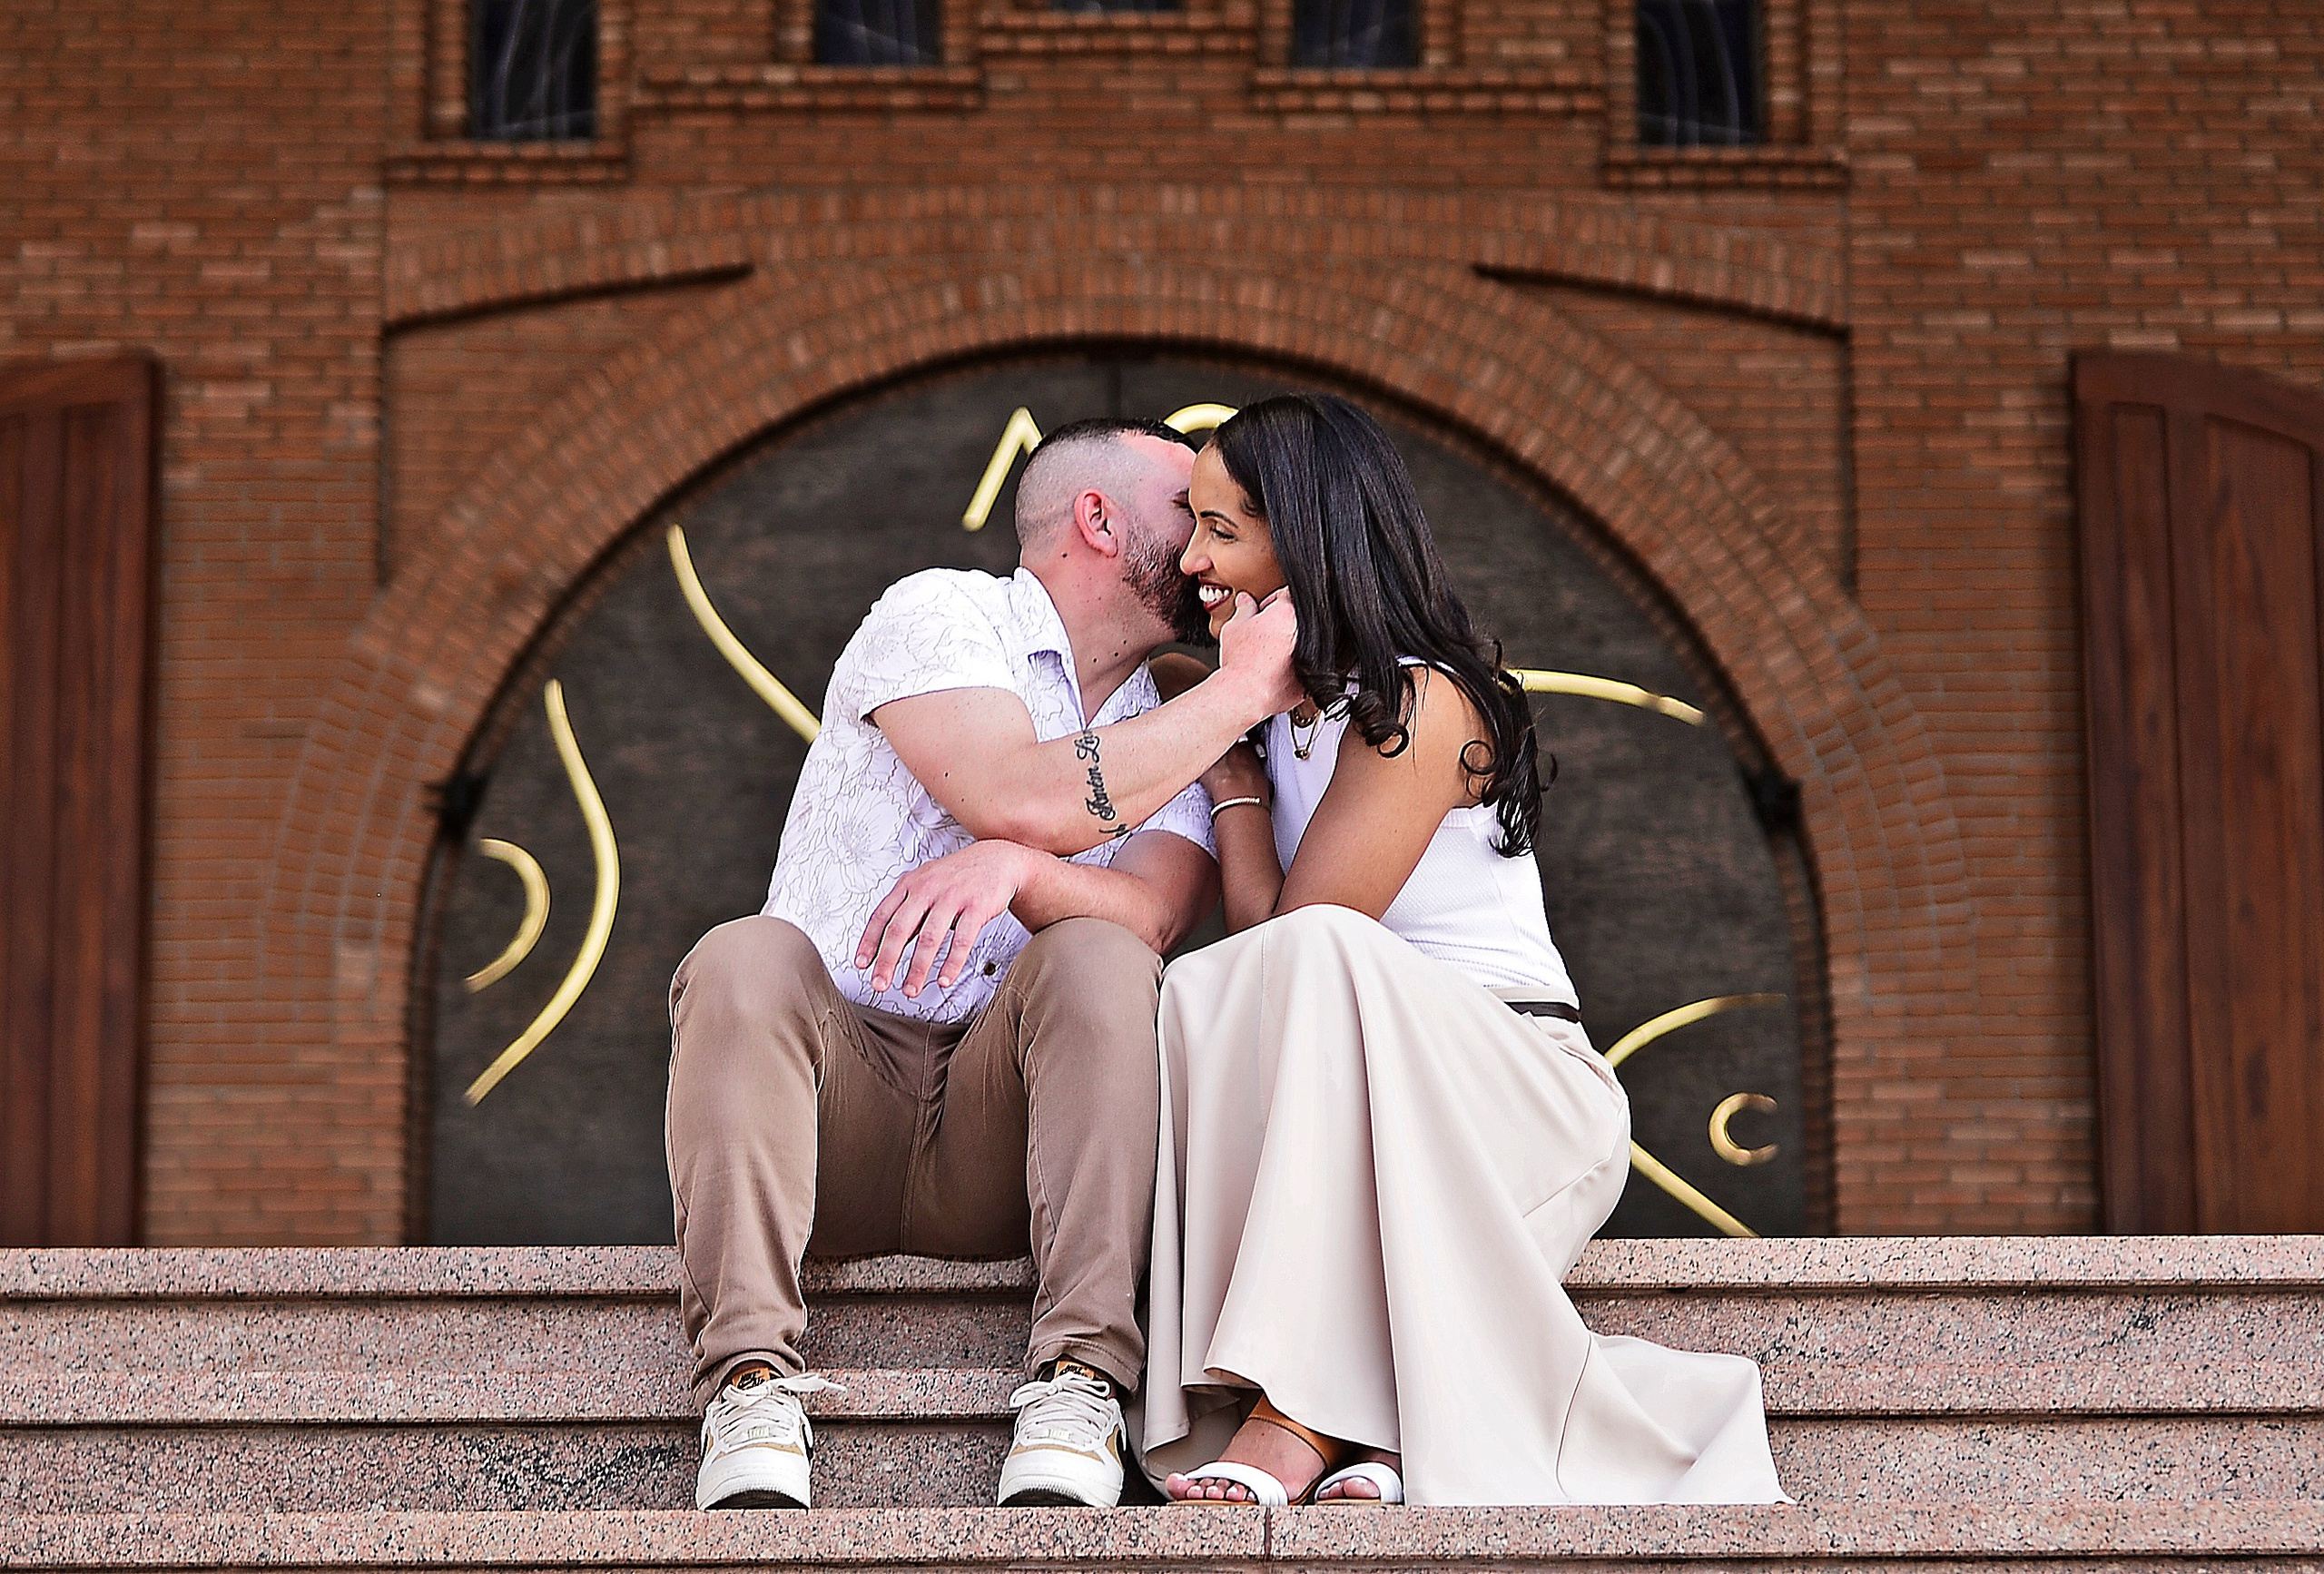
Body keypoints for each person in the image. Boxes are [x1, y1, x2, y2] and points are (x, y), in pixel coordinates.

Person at [1139, 393, 1787, 1508]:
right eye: (1191, 525)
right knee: (1196, 993)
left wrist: (1234, 776)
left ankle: (1295, 1421)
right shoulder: (1285, 711)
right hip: (1381, 1090)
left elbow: (1304, 936)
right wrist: (1240, 764)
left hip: (1517, 1093)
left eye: (1221, 529)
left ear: (1308, 534)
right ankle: (1384, 1433)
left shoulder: (1421, 702)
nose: (1193, 559)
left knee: (1300, 960)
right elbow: (1259, 964)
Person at [665, 417, 1304, 1512]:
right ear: (1096, 519)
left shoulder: (1183, 720)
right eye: (1185, 516)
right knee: (744, 955)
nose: (1207, 554)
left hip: (1008, 1137)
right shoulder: (942, 612)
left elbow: (1150, 915)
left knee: (1100, 956)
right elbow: (1014, 790)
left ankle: (1079, 1384)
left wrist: (1017, 868)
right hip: (827, 1114)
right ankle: (750, 1382)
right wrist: (1242, 693)